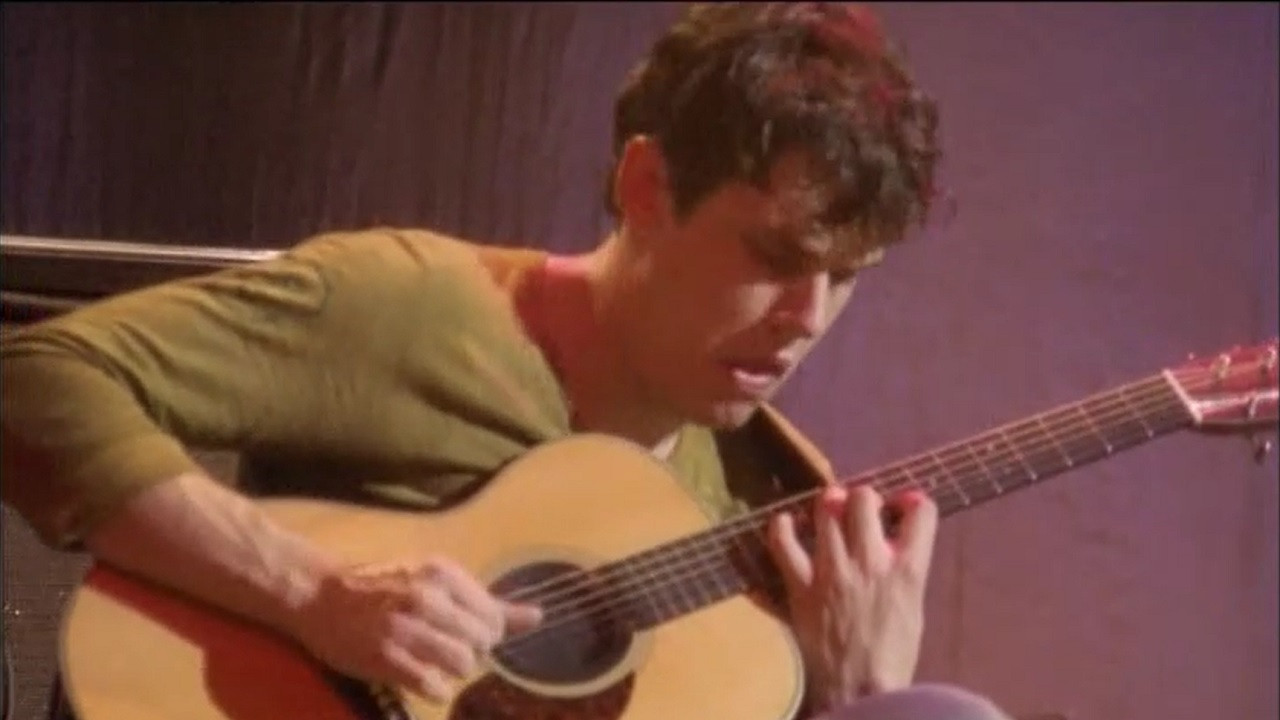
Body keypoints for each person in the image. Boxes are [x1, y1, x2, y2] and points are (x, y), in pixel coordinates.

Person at [1, 3, 1012, 719]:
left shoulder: (771, 497)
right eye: (774, 258)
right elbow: (33, 381)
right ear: (647, 186)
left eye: (846, 278)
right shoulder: (416, 309)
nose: (807, 318)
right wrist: (315, 596)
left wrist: (853, 697)